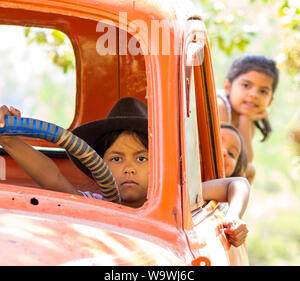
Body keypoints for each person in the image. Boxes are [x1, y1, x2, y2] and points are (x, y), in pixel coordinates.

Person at [0, 99, 250, 247]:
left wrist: (235, 218)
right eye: (116, 159)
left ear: (159, 166)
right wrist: (10, 141)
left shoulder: (175, 198)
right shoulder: (93, 205)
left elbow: (236, 184)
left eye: (142, 158)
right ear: (98, 166)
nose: (129, 167)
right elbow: (51, 177)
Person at [217, 55, 279, 184]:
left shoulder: (247, 119)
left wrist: (245, 120)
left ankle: (228, 203)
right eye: (246, 85)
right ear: (228, 87)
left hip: (219, 167)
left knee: (250, 171)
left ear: (270, 101)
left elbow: (245, 161)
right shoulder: (219, 106)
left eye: (263, 91)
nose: (253, 94)